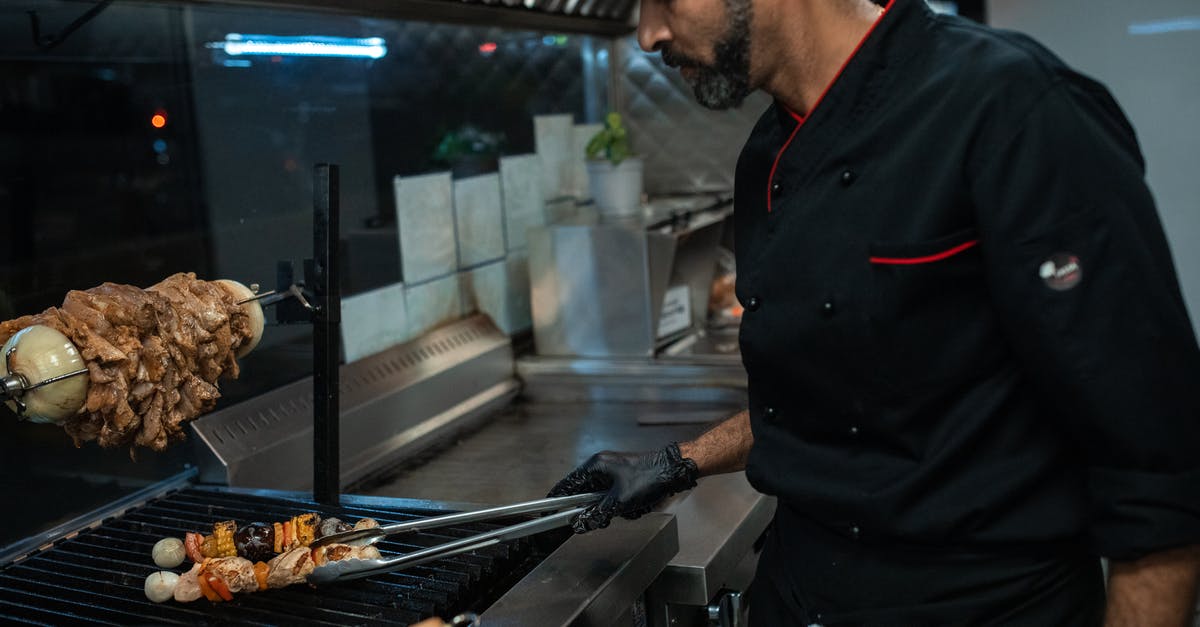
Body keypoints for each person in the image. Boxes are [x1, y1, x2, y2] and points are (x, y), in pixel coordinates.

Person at [547, 0, 1200, 624]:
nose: (647, 34)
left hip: (983, 605)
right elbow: (829, 392)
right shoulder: (766, 158)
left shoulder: (1009, 106)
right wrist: (678, 460)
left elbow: (1158, 474)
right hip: (800, 593)